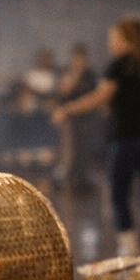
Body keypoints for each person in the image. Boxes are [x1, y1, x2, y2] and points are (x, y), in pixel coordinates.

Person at [53, 19, 140, 257]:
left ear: (123, 40)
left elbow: (99, 97)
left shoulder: (117, 66)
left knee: (118, 195)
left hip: (125, 139)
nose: (109, 43)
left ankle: (129, 246)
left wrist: (68, 109)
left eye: (112, 38)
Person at [54, 43, 99, 187]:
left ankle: (81, 178)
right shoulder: (67, 73)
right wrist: (74, 76)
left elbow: (94, 96)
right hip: (70, 118)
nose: (79, 62)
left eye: (82, 59)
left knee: (83, 149)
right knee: (69, 149)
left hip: (86, 117)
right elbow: (63, 93)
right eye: (76, 59)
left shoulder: (89, 75)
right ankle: (68, 178)